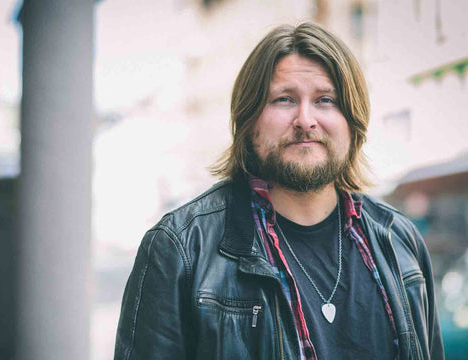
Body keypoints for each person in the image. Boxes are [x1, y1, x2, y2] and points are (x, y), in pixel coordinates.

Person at [114, 22, 444, 360]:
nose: (305, 119)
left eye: (325, 100)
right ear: (249, 119)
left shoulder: (399, 240)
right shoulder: (181, 248)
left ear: (352, 121)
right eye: (283, 99)